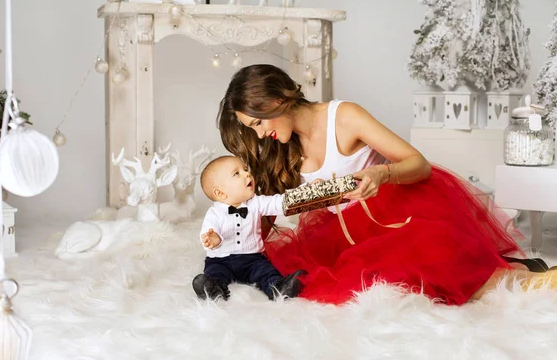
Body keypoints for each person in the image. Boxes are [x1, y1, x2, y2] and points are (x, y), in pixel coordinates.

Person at [216, 63, 554, 306]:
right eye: (252, 128)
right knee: (321, 278)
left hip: (391, 215)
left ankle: (523, 280)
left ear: (275, 100)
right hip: (343, 234)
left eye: (259, 122)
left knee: (426, 258)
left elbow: (416, 163)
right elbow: (263, 214)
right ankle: (512, 270)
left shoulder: (343, 116)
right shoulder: (280, 148)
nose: (259, 133)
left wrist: (382, 175)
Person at [192, 155, 304, 301]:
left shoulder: (256, 202)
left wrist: (304, 191)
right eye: (236, 173)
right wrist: (213, 239)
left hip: (252, 259)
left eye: (245, 169)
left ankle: (279, 288)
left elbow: (278, 202)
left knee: (266, 271)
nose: (247, 174)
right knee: (215, 273)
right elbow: (208, 232)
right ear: (220, 193)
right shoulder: (214, 213)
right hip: (220, 260)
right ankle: (213, 290)